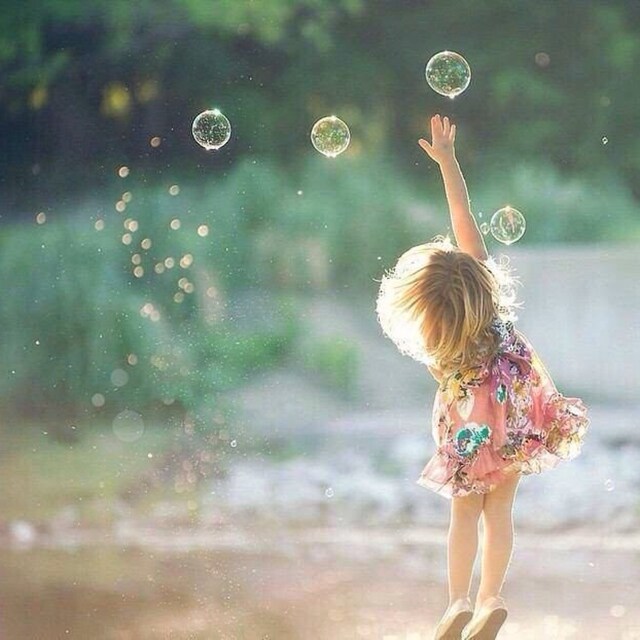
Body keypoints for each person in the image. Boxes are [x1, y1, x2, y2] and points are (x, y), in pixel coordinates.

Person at [375, 115, 589, 640]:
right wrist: (449, 161)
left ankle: (457, 603)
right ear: (475, 281)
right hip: (514, 414)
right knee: (501, 511)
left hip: (467, 427)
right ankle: (491, 597)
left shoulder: (443, 343)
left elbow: (442, 375)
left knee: (464, 512)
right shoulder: (488, 302)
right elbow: (462, 214)